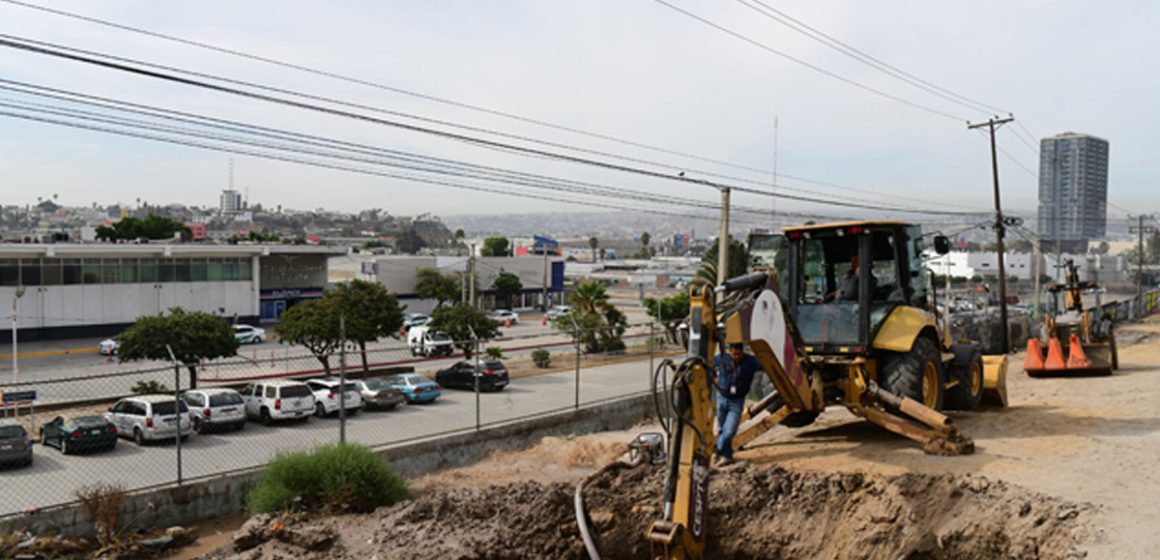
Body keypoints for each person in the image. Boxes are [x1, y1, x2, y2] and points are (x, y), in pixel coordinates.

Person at [713, 342, 761, 466]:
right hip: (721, 398)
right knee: (721, 429)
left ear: (742, 352)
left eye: (739, 354)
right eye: (734, 354)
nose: (737, 357)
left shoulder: (751, 362)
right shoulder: (723, 358)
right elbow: (708, 365)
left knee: (729, 431)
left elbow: (767, 364)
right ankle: (727, 456)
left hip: (736, 402)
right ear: (730, 352)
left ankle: (716, 450)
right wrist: (713, 378)